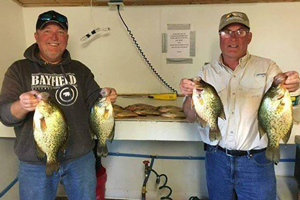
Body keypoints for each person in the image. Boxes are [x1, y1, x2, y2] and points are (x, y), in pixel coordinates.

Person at [180, 11, 300, 200]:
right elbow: (190, 116)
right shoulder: (205, 72)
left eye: (240, 32)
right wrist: (189, 96)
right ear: (220, 38)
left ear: (249, 37)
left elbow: (281, 82)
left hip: (256, 162)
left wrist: (291, 81)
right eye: (227, 32)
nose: (233, 38)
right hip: (216, 159)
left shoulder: (267, 67)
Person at [0, 10, 117, 200]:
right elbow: (5, 115)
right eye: (47, 31)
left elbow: (95, 101)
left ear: (67, 38)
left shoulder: (80, 69)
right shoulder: (18, 70)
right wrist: (22, 106)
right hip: (34, 162)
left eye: (60, 32)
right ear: (36, 36)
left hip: (81, 158)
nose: (54, 37)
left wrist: (108, 96)